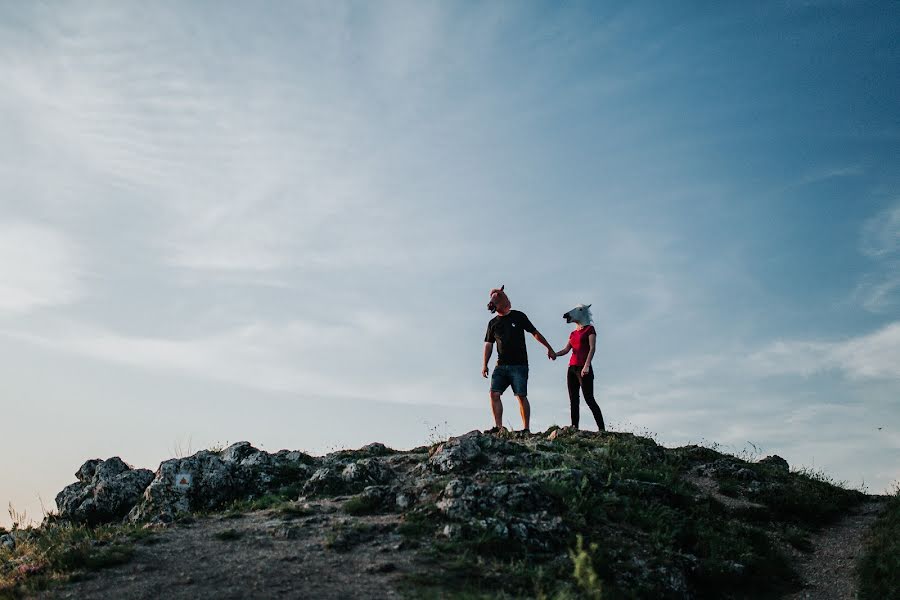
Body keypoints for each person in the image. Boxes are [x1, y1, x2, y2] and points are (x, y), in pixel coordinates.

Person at [482, 286, 556, 432]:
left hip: (519, 365)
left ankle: (526, 429)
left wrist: (549, 348)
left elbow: (534, 333)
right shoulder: (493, 323)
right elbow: (488, 345)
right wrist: (484, 364)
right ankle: (499, 427)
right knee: (494, 393)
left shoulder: (518, 316)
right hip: (501, 365)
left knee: (521, 396)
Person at [554, 304, 605, 431]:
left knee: (589, 399)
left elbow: (592, 348)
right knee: (573, 399)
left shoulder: (590, 330)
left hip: (583, 367)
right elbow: (567, 349)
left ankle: (601, 429)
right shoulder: (573, 333)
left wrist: (587, 365)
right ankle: (574, 427)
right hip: (572, 368)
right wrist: (555, 354)